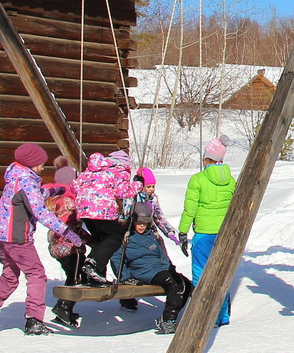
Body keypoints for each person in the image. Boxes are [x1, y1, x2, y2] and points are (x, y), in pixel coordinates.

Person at [0, 143, 82, 335]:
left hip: (3, 236)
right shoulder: (27, 181)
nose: (42, 167)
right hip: (17, 238)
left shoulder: (16, 177)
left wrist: (55, 191)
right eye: (40, 163)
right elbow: (40, 211)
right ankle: (34, 320)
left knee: (10, 276)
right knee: (36, 274)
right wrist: (67, 232)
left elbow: (31, 198)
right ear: (31, 164)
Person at [179, 137, 236, 326]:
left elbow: (190, 209)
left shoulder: (198, 180)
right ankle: (222, 315)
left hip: (204, 234)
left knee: (200, 274)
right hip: (224, 234)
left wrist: (182, 231)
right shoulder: (230, 180)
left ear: (207, 159)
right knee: (221, 272)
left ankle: (200, 314)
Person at [120, 203, 190, 334]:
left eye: (145, 223)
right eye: (139, 223)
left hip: (159, 269)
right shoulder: (127, 237)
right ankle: (167, 320)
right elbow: (117, 259)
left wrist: (170, 267)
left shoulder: (150, 235)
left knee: (186, 284)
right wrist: (125, 277)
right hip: (143, 271)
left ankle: (172, 316)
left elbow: (161, 253)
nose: (142, 226)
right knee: (174, 284)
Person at [74, 149, 139, 284]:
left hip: (84, 209)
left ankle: (94, 275)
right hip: (101, 209)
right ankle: (93, 264)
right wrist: (138, 185)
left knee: (100, 240)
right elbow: (122, 192)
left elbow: (75, 186)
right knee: (114, 237)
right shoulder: (120, 168)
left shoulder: (91, 169)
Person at [45, 164, 88, 328]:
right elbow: (65, 224)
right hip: (69, 247)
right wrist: (76, 237)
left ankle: (65, 308)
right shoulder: (68, 202)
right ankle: (63, 307)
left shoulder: (58, 200)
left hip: (60, 247)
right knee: (76, 277)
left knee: (74, 275)